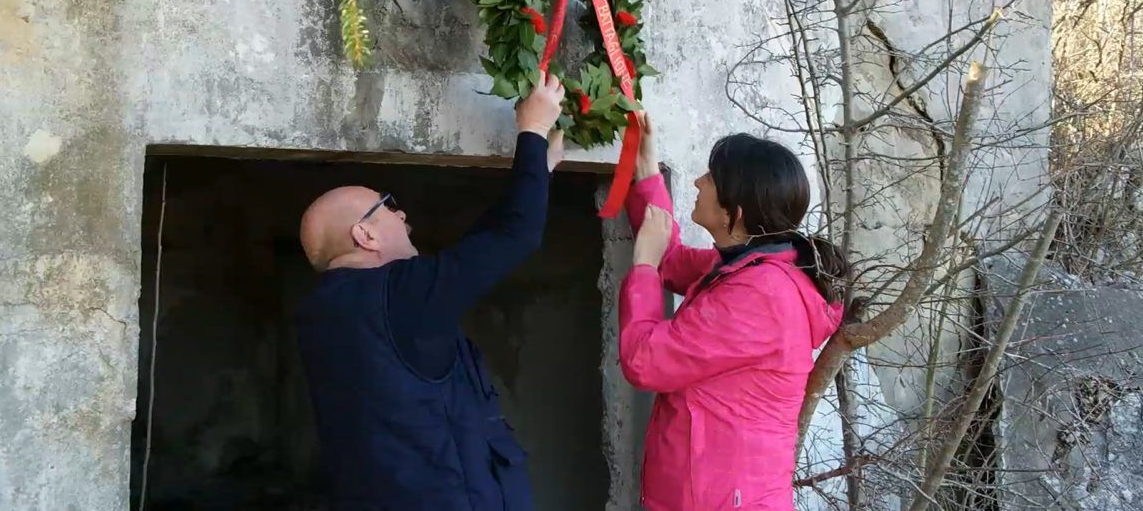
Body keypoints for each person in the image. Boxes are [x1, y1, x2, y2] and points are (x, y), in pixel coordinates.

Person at [295, 75, 566, 511]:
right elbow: (513, 238)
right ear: (364, 234)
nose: (401, 214)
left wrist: (538, 169)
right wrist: (531, 131)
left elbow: (479, 250)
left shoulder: (322, 313)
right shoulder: (398, 296)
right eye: (387, 206)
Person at [619, 113, 847, 510]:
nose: (697, 182)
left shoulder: (761, 298)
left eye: (710, 177)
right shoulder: (753, 267)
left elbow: (644, 360)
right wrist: (646, 166)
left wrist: (640, 265)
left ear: (733, 213)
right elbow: (670, 260)